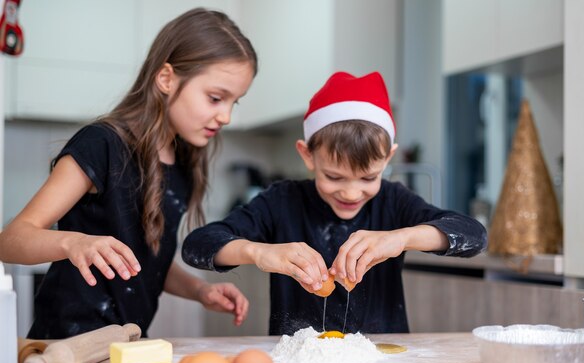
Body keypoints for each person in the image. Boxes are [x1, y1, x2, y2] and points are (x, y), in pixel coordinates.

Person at [0, 8, 257, 339]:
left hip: (127, 348)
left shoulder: (183, 164)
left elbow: (145, 264)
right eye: (216, 98)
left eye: (234, 102)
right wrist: (73, 242)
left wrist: (199, 290)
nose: (226, 117)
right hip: (65, 346)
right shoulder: (102, 144)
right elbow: (10, 240)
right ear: (166, 79)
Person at [182, 71, 487, 335]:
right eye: (334, 177)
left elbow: (474, 236)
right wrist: (257, 251)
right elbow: (197, 246)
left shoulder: (393, 201)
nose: (352, 193)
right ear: (307, 155)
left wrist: (401, 238)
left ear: (388, 159)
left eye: (368, 178)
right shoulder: (282, 201)